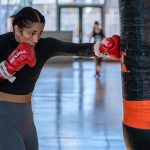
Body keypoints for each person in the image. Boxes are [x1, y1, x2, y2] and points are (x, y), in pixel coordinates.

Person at [0, 7, 121, 150]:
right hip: (3, 116)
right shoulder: (2, 44)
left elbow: (75, 48)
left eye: (39, 33)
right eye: (31, 33)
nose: (36, 39)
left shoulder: (44, 46)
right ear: (17, 29)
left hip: (26, 116)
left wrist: (101, 47)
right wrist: (6, 68)